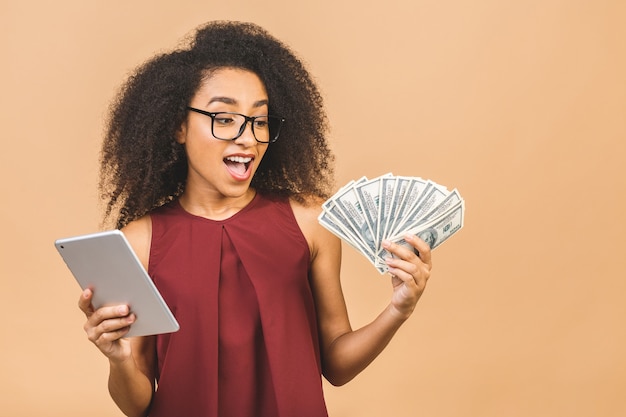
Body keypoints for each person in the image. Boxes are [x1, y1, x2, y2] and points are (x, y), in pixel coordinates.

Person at [78, 21, 433, 417]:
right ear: (178, 126)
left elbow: (336, 363)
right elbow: (137, 403)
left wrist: (398, 309)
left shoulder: (310, 221)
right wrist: (119, 359)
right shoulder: (139, 241)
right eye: (224, 118)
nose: (247, 138)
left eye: (259, 120)